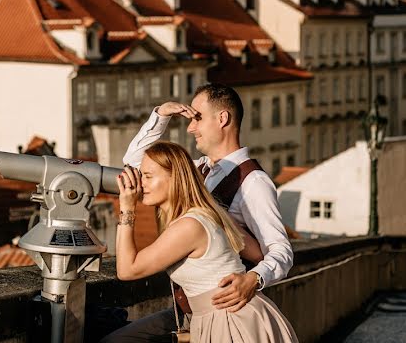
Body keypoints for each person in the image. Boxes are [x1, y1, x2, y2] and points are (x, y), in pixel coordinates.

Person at [100, 83, 294, 342]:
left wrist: (254, 278)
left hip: (227, 308)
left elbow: (279, 250)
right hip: (190, 309)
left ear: (222, 118)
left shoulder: (253, 181)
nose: (190, 127)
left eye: (197, 118)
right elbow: (137, 164)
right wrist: (161, 116)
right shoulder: (197, 171)